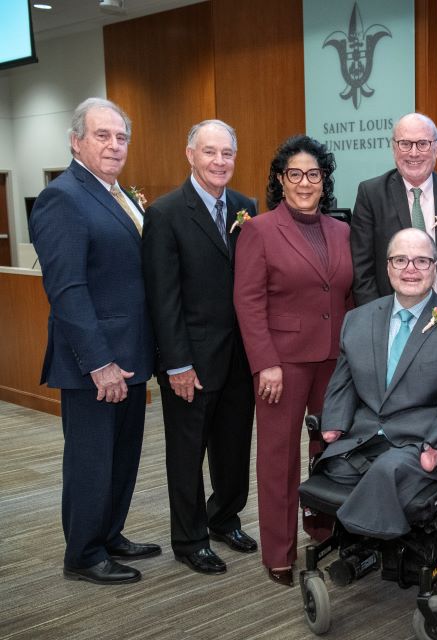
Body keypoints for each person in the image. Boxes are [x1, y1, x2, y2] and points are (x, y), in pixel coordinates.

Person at [29, 97, 159, 584]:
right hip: (95, 363)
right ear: (75, 140)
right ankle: (82, 553)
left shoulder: (118, 194)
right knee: (90, 460)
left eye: (121, 136)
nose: (113, 145)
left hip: (132, 355)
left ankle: (109, 534)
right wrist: (99, 362)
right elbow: (67, 289)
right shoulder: (63, 197)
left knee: (122, 456)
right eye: (102, 135)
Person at [318, 228, 437, 539]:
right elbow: (342, 382)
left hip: (419, 440)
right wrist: (333, 423)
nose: (410, 269)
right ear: (388, 267)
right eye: (400, 260)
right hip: (366, 437)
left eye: (421, 261)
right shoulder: (358, 319)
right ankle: (375, 533)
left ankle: (365, 543)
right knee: (334, 467)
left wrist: (436, 444)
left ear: (435, 267)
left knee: (389, 470)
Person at [234, 135, 353, 587]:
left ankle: (321, 533)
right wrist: (265, 361)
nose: (305, 182)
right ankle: (278, 552)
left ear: (325, 181)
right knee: (278, 458)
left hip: (333, 360)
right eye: (295, 174)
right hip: (281, 365)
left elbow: (348, 294)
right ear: (281, 181)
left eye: (314, 174)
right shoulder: (260, 230)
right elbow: (248, 302)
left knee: (332, 450)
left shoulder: (342, 230)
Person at [142, 120, 257, 575]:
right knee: (187, 454)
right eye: (210, 152)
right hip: (189, 361)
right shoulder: (166, 213)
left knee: (233, 447)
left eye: (227, 153)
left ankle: (223, 518)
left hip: (239, 358)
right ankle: (189, 539)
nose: (219, 161)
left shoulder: (246, 207)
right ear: (190, 154)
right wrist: (177, 364)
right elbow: (162, 297)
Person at [350, 112, 437, 306]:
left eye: (423, 144)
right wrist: (377, 321)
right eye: (405, 144)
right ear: (394, 148)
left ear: (436, 148)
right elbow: (362, 272)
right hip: (392, 315)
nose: (413, 153)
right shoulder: (371, 195)